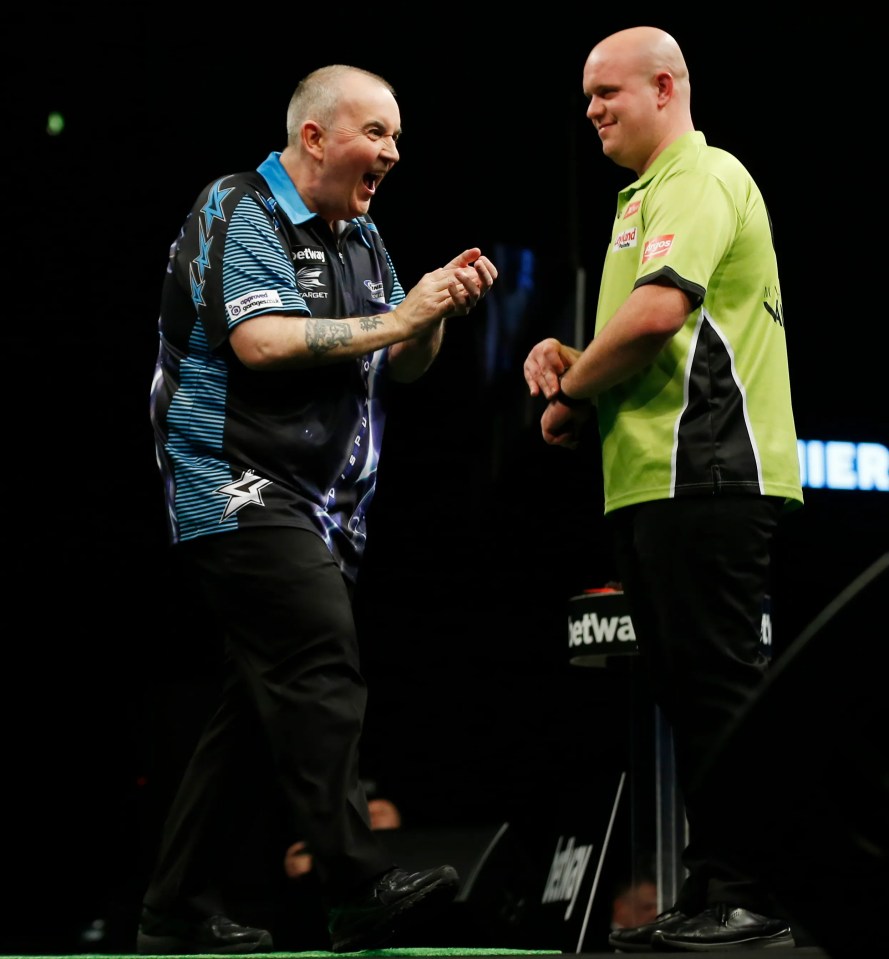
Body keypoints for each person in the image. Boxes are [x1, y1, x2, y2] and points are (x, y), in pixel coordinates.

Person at [141, 63, 497, 956]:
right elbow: (261, 344)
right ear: (314, 138)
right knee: (318, 660)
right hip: (235, 484)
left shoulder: (363, 240)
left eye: (397, 139)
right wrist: (400, 315)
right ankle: (353, 884)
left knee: (255, 716)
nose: (391, 153)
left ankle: (174, 909)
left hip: (325, 509)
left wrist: (432, 310)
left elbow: (398, 364)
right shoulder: (237, 207)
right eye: (375, 134)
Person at [523, 26, 803, 952]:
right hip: (652, 482)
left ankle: (759, 893)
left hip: (710, 470)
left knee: (720, 692)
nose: (593, 109)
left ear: (665, 86)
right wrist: (567, 361)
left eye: (609, 91)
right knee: (689, 698)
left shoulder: (698, 173)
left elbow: (654, 317)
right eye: (586, 96)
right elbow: (638, 343)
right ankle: (721, 887)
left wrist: (568, 389)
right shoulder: (639, 199)